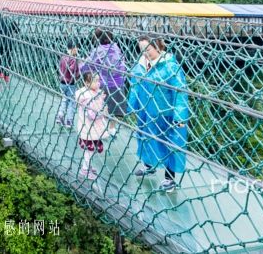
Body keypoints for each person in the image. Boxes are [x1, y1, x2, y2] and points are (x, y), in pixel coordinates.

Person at [128, 36, 191, 192]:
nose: (144, 53)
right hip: (146, 112)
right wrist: (129, 107)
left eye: (148, 49)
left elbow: (180, 92)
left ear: (158, 47)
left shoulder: (170, 66)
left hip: (166, 114)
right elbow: (135, 86)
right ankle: (149, 166)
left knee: (169, 144)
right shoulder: (141, 65)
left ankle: (170, 179)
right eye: (141, 49)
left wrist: (180, 116)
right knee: (145, 138)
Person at [81, 29, 128, 135]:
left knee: (101, 106)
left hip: (103, 83)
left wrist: (82, 67)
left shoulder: (98, 50)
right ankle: (112, 128)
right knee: (114, 107)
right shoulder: (116, 48)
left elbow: (89, 64)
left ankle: (101, 127)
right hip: (118, 83)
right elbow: (122, 65)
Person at [75, 69, 109, 179]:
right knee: (89, 149)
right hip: (88, 126)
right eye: (94, 81)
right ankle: (85, 169)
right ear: (86, 83)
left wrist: (100, 98)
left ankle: (88, 166)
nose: (98, 83)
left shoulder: (95, 92)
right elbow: (91, 114)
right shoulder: (85, 95)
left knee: (92, 148)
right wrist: (102, 111)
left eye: (98, 80)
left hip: (94, 127)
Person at [56, 38, 80, 127]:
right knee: (71, 102)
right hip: (71, 83)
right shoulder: (73, 59)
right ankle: (69, 120)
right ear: (73, 48)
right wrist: (78, 71)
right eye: (77, 48)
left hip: (62, 82)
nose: (77, 50)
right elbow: (73, 70)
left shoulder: (63, 57)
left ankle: (60, 116)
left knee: (64, 100)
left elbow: (61, 68)